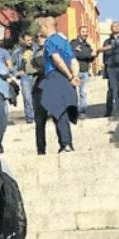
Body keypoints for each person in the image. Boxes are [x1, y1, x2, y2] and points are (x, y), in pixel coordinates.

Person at [37, 16, 78, 153]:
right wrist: (74, 76)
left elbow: (57, 59)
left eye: (40, 27)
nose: (39, 30)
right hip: (66, 78)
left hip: (55, 76)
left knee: (58, 111)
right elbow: (73, 60)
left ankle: (65, 144)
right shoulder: (64, 41)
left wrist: (69, 75)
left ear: (46, 26)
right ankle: (66, 143)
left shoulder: (49, 41)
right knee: (63, 110)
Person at [97, 21, 119, 125]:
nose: (115, 28)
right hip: (111, 67)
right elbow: (106, 54)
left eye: (117, 26)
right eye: (113, 26)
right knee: (114, 88)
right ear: (111, 29)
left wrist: (101, 49)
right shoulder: (107, 40)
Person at [70, 25, 96, 119]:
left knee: (83, 93)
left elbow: (91, 58)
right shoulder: (73, 43)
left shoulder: (87, 45)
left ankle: (82, 112)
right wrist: (88, 55)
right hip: (74, 72)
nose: (85, 34)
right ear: (79, 33)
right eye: (83, 32)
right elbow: (74, 54)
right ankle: (73, 112)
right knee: (73, 93)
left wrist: (90, 56)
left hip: (84, 72)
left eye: (86, 32)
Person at [12, 33, 37, 124]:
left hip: (35, 75)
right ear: (22, 40)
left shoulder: (36, 48)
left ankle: (37, 116)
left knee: (36, 97)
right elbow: (11, 64)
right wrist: (16, 72)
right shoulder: (18, 51)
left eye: (31, 40)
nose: (30, 42)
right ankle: (30, 117)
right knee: (27, 97)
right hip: (25, 76)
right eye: (27, 40)